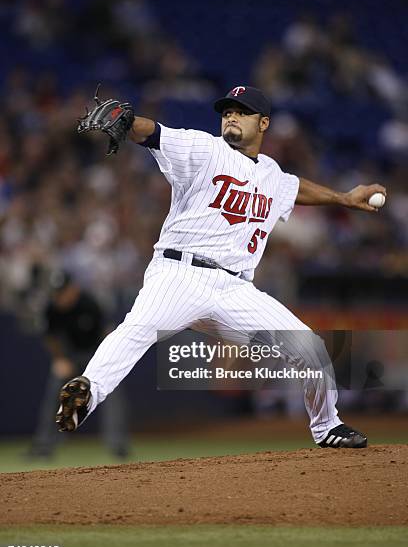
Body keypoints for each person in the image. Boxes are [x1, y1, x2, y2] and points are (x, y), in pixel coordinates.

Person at [56, 85, 387, 448]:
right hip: (179, 274)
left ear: (263, 123)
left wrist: (343, 198)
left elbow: (294, 189)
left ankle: (327, 427)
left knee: (310, 348)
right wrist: (130, 121)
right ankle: (87, 394)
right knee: (138, 329)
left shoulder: (271, 174)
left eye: (241, 111)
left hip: (235, 290)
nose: (230, 115)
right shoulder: (205, 149)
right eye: (227, 110)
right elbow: (155, 133)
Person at [30, 271, 129, 458]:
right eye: (56, 293)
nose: (60, 297)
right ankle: (43, 446)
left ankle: (118, 445)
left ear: (73, 289)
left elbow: (107, 333)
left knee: (113, 395)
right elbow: (50, 338)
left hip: (95, 355)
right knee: (54, 394)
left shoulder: (89, 303)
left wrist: (108, 361)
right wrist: (59, 359)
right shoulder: (51, 308)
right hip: (70, 357)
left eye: (63, 292)